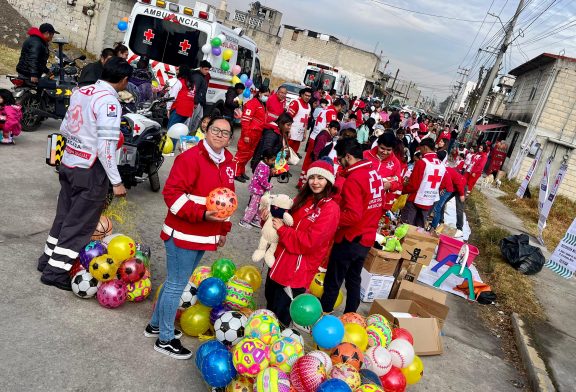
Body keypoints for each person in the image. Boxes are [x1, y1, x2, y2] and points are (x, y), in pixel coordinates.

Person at [37, 57, 131, 289]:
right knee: (79, 224)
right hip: (90, 170)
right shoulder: (110, 102)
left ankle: (47, 259)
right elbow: (105, 147)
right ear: (124, 80)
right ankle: (55, 273)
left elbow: (65, 127)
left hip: (69, 163)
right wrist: (116, 182)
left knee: (64, 215)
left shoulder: (82, 91)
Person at [145, 117, 234, 359]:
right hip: (182, 234)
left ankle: (155, 325)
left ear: (230, 138)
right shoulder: (190, 157)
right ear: (206, 130)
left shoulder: (228, 162)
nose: (220, 135)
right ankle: (164, 339)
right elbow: (172, 195)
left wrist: (222, 230)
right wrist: (202, 214)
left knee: (176, 282)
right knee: (176, 284)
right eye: (216, 130)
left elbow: (228, 199)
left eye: (225, 133)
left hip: (204, 235)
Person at [266, 159, 340, 326]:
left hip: (297, 270)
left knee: (281, 316)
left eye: (320, 178)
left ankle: (277, 348)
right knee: (271, 304)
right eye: (312, 177)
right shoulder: (304, 197)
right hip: (279, 262)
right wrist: (270, 216)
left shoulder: (331, 209)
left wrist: (283, 230)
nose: (315, 182)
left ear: (329, 181)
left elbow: (310, 242)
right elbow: (285, 218)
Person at [320, 139, 384, 314]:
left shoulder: (354, 179)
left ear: (347, 157)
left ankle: (323, 315)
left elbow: (353, 215)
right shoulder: (373, 172)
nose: (339, 164)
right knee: (353, 279)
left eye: (340, 159)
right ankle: (351, 315)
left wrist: (331, 219)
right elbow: (380, 204)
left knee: (334, 279)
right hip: (366, 237)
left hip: (350, 238)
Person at [298, 98, 345, 188]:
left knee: (308, 161)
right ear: (340, 106)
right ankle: (305, 184)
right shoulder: (332, 112)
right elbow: (331, 126)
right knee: (315, 161)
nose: (341, 110)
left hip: (314, 136)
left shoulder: (325, 108)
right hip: (321, 139)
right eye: (341, 108)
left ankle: (301, 181)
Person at [401, 138, 446, 228]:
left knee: (406, 228)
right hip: (430, 200)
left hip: (415, 199)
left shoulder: (422, 163)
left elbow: (413, 185)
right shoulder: (442, 164)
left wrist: (401, 190)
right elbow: (442, 184)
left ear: (425, 147)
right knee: (419, 229)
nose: (420, 151)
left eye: (420, 149)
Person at [233, 87, 270, 182]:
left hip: (257, 133)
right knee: (242, 153)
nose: (267, 97)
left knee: (249, 154)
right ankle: (235, 172)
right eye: (265, 95)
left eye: (268, 96)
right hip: (250, 133)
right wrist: (246, 134)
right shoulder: (252, 103)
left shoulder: (262, 104)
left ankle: (241, 171)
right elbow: (245, 120)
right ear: (260, 93)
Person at [363, 133, 403, 211]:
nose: (384, 152)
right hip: (361, 197)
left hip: (379, 203)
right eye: (382, 148)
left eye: (388, 150)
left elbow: (398, 181)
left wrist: (390, 185)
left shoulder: (395, 163)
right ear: (377, 145)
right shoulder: (365, 155)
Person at [239, 149, 275, 228]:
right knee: (253, 206)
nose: (273, 162)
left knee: (259, 206)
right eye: (272, 160)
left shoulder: (264, 165)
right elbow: (262, 180)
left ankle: (255, 219)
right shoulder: (263, 167)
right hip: (257, 190)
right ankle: (245, 220)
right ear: (266, 159)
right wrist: (269, 185)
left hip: (259, 190)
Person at [431, 166, 466, 238]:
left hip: (461, 186)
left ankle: (460, 229)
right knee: (442, 203)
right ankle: (441, 221)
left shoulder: (447, 171)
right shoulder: (441, 172)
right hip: (452, 187)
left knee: (459, 209)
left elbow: (458, 182)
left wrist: (462, 194)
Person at [166, 65, 196, 147]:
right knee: (177, 130)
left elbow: (172, 96)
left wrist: (168, 108)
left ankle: (168, 148)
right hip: (188, 111)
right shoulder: (193, 84)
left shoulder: (179, 82)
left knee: (171, 129)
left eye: (178, 69)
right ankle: (172, 147)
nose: (176, 70)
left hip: (178, 109)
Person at [188, 60, 212, 132]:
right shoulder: (198, 77)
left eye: (208, 70)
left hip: (200, 102)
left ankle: (192, 133)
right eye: (205, 69)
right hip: (197, 102)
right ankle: (189, 134)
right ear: (201, 68)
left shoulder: (202, 76)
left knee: (199, 119)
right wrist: (195, 102)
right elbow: (195, 90)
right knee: (192, 120)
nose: (207, 71)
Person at [287, 88, 312, 153]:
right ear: (302, 95)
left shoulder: (309, 106)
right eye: (306, 95)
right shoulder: (295, 103)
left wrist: (305, 133)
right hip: (291, 133)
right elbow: (288, 118)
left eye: (309, 96)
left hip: (299, 134)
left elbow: (306, 120)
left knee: (293, 154)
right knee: (285, 152)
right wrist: (288, 131)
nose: (307, 97)